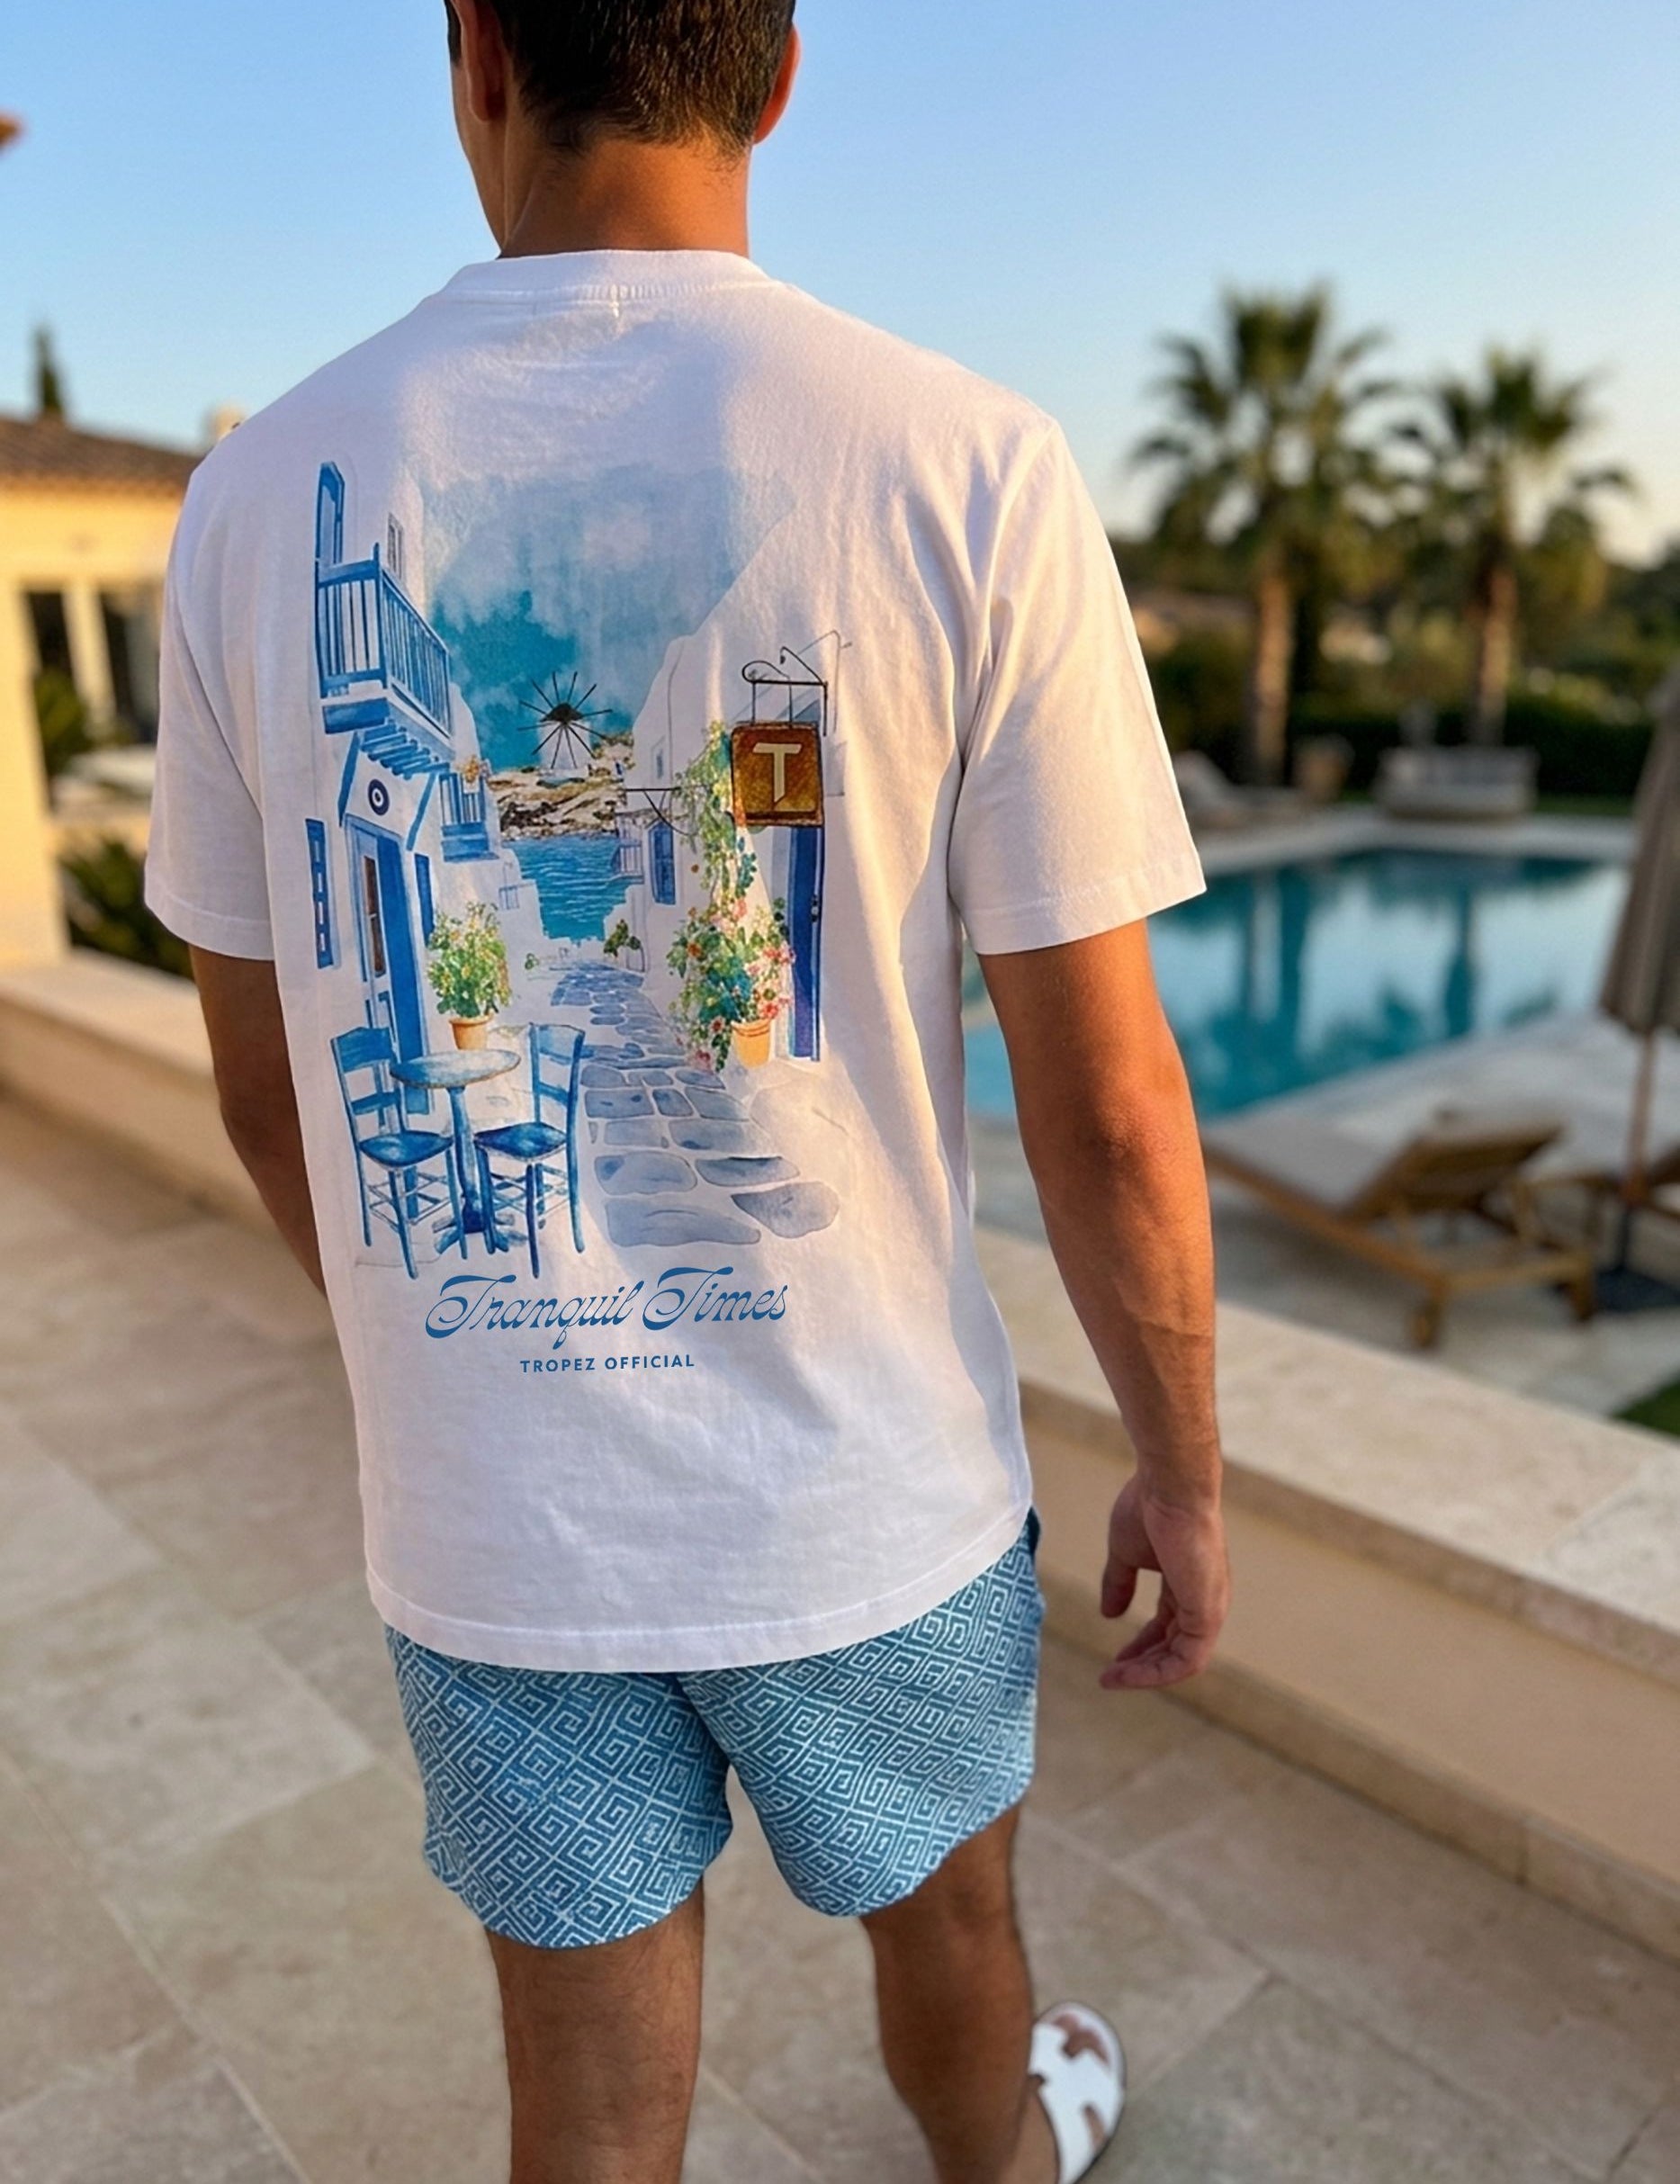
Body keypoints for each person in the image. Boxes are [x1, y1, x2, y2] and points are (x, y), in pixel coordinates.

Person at [145, 4, 1227, 2179]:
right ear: (779, 69)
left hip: (494, 1526)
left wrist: (442, 1357)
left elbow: (273, 1095)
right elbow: (1109, 1108)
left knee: (584, 2096)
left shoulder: (254, 498)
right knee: (952, 1931)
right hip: (874, 1498)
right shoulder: (969, 462)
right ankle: (1007, 2154)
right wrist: (1183, 1468)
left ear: (474, 50)